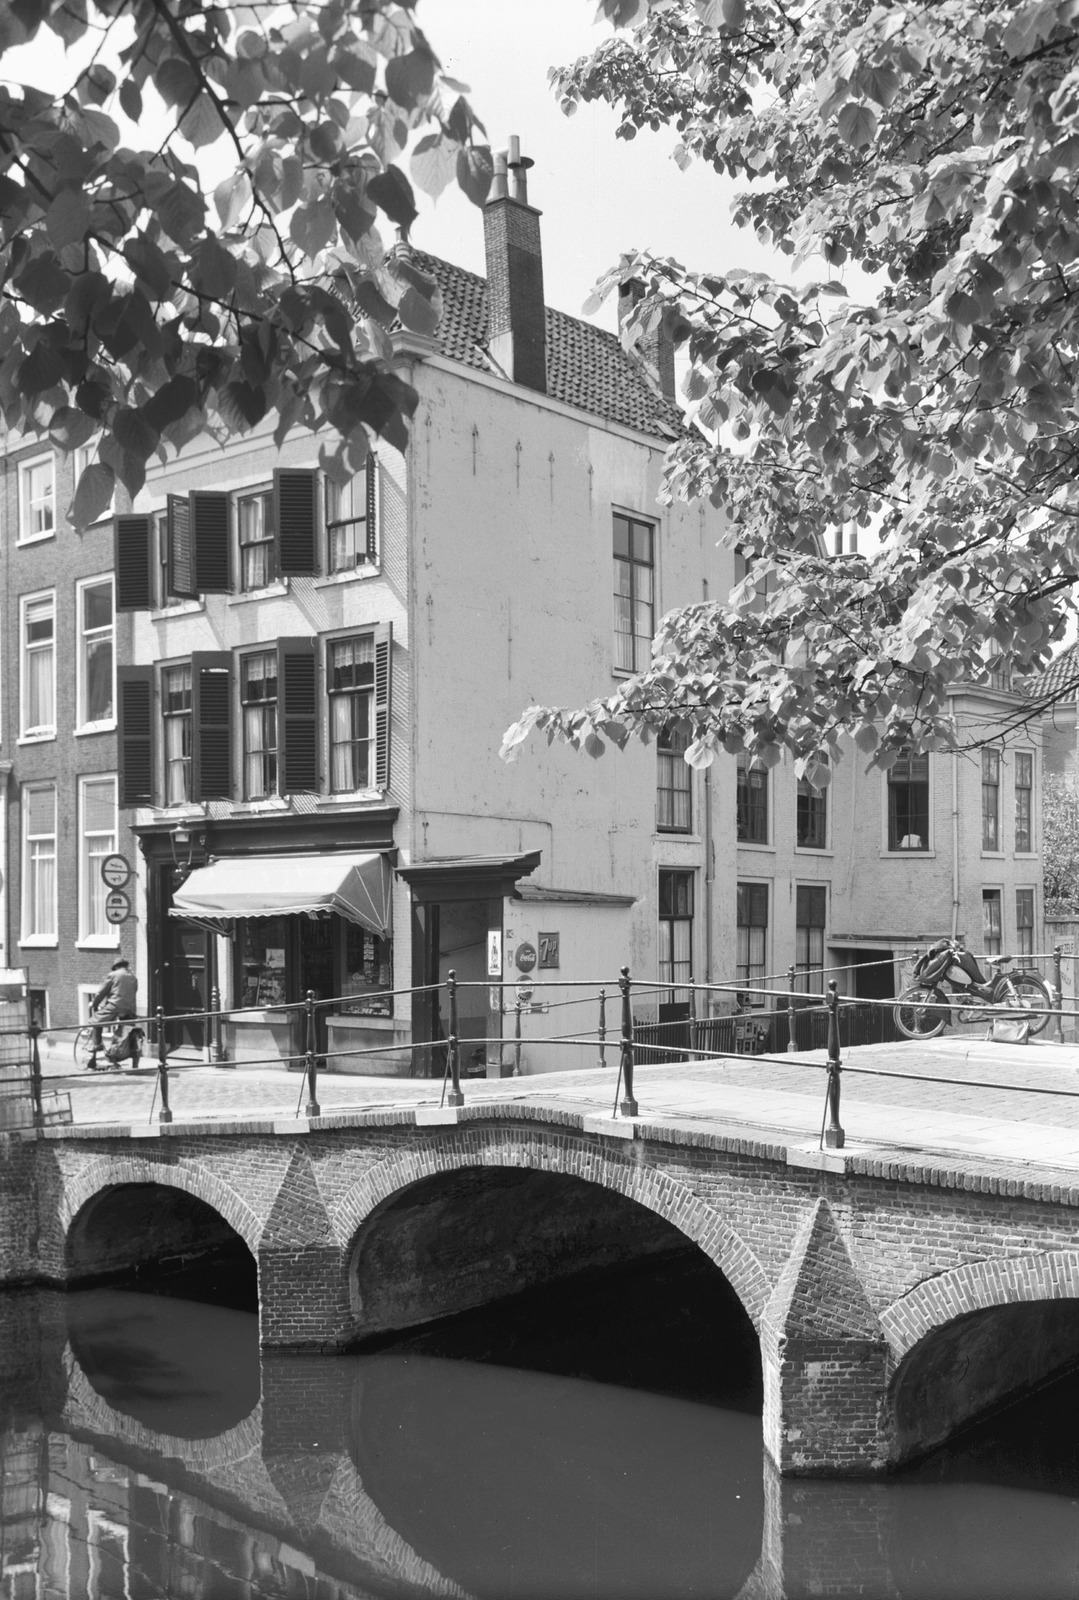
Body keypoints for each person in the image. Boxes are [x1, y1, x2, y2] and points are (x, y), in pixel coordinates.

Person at [88, 958, 138, 1067]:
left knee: (95, 1020)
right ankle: (135, 1064)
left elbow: (101, 992)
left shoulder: (113, 975)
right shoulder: (133, 977)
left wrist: (95, 1004)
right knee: (129, 1033)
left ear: (116, 967)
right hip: (129, 1009)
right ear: (125, 966)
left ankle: (97, 1045)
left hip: (115, 1006)